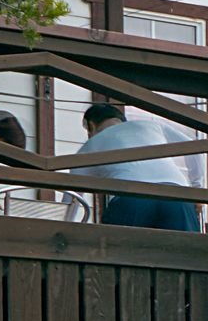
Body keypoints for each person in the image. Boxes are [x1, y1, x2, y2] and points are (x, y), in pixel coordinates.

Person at [82, 98, 199, 232]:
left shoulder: (92, 143)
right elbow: (196, 150)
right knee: (187, 250)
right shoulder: (150, 125)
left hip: (130, 198)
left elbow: (74, 196)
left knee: (121, 250)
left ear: (91, 125)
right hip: (177, 195)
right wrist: (196, 189)